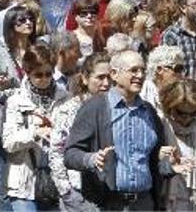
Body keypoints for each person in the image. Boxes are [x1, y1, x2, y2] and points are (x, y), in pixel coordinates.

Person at [64, 49, 167, 210]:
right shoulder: (95, 108)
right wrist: (91, 159)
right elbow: (70, 154)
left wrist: (169, 164)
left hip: (144, 203)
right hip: (108, 204)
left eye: (142, 70)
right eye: (133, 70)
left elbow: (154, 159)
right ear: (114, 74)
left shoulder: (149, 112)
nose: (140, 75)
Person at [2, 43, 68, 211]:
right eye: (38, 75)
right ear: (27, 72)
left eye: (48, 74)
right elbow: (8, 142)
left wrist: (58, 133)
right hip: (24, 182)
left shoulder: (65, 98)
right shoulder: (16, 101)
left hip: (57, 180)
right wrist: (35, 133)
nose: (45, 79)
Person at [49, 52, 112, 211]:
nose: (106, 83)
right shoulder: (69, 110)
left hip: (109, 192)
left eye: (110, 77)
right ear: (85, 78)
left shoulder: (115, 108)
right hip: (78, 193)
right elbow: (57, 152)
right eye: (100, 77)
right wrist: (67, 192)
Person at [157, 79, 196, 211]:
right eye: (180, 113)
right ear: (169, 106)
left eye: (193, 113)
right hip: (168, 202)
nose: (186, 118)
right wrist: (159, 155)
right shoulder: (159, 126)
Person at [141, 44, 186, 109]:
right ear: (159, 70)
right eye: (177, 69)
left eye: (182, 69)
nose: (181, 74)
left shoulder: (178, 92)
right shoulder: (144, 92)